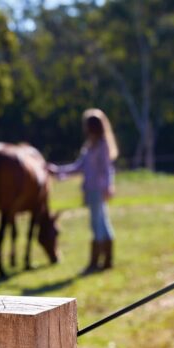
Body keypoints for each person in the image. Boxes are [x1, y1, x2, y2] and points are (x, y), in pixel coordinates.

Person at [49, 108, 118, 273]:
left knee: (97, 224)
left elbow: (107, 169)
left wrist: (108, 186)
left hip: (98, 190)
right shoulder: (90, 146)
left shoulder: (102, 145)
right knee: (102, 223)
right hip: (92, 190)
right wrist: (58, 171)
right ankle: (106, 261)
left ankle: (97, 262)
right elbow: (79, 167)